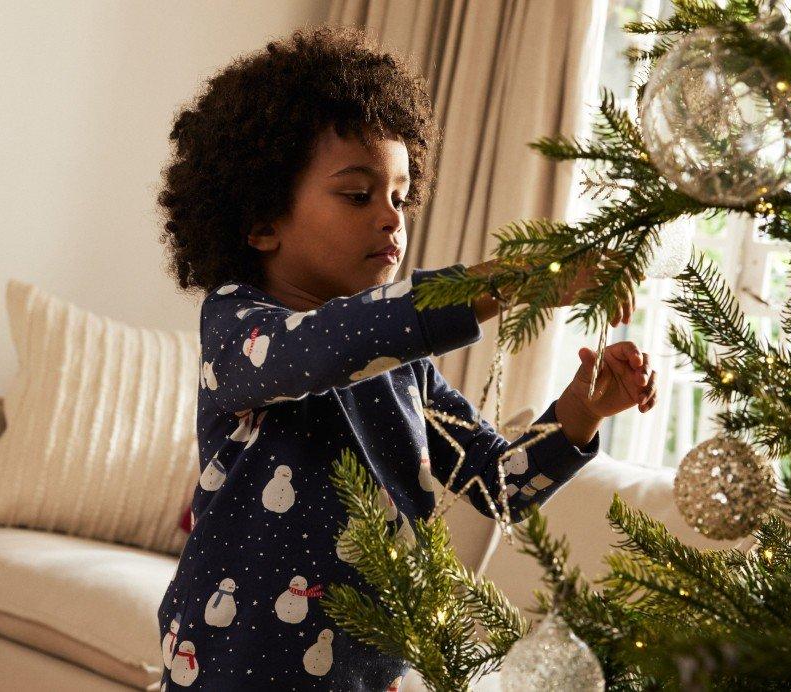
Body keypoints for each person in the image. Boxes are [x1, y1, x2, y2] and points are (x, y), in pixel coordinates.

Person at [154, 24, 657, 691]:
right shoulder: (239, 327)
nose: (392, 218)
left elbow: (496, 484)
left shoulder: (404, 368)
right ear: (262, 221)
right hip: (230, 672)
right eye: (359, 195)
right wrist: (500, 282)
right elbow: (321, 349)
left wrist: (580, 414)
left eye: (400, 196)